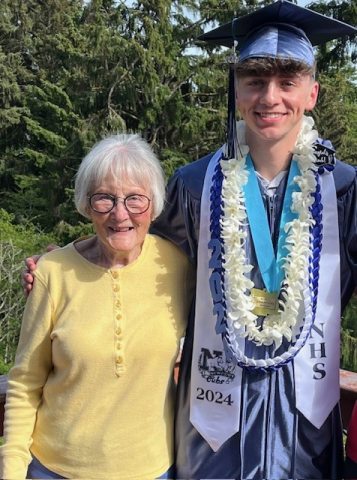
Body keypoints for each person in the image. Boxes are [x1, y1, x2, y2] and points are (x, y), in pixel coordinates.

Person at [20, 2, 357, 479]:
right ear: (236, 91)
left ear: (313, 93)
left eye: (287, 83)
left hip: (304, 424)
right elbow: (133, 248)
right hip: (213, 425)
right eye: (255, 81)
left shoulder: (342, 190)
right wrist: (66, 259)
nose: (270, 97)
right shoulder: (196, 185)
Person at [0, 134, 193, 479]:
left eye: (135, 199)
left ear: (154, 204)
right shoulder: (52, 273)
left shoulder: (177, 267)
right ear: (87, 205)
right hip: (55, 470)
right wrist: (11, 471)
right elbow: (24, 384)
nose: (120, 214)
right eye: (104, 198)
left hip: (152, 471)